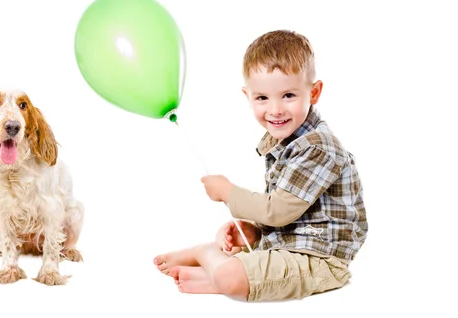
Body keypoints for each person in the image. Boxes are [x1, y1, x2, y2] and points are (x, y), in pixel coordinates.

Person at [153, 30, 368, 302]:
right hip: (290, 246)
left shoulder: (317, 147)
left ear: (313, 92)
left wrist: (229, 193)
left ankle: (206, 256)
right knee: (236, 267)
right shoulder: (286, 141)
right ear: (248, 95)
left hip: (321, 259)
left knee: (230, 277)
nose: (275, 109)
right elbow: (287, 208)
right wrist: (255, 231)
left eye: (288, 95)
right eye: (262, 98)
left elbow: (277, 210)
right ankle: (218, 274)